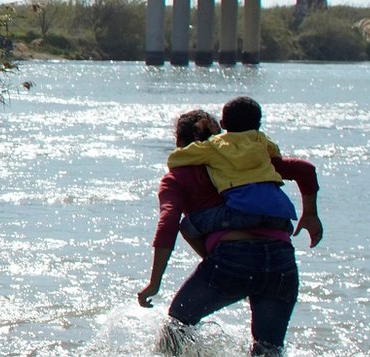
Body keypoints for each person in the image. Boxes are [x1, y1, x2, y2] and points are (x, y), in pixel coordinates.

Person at [138, 109, 323, 356]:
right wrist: (310, 213)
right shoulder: (251, 161)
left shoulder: (177, 177)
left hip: (232, 261)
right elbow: (304, 170)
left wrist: (155, 282)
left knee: (178, 323)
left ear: (180, 144)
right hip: (281, 261)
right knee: (268, 349)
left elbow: (168, 224)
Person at [166, 96, 295, 248]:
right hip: (281, 212)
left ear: (223, 124)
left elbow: (175, 159)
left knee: (188, 226)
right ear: (259, 125)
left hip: (241, 211)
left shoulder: (214, 147)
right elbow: (276, 153)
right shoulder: (261, 140)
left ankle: (210, 259)